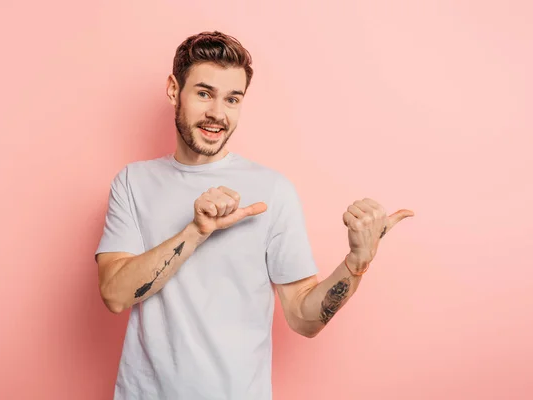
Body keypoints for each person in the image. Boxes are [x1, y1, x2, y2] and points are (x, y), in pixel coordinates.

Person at [95, 30, 414, 400]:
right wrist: (196, 231)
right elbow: (115, 295)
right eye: (203, 93)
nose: (217, 113)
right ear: (173, 90)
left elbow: (303, 318)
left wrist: (357, 262)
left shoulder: (273, 191)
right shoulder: (134, 182)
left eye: (232, 99)